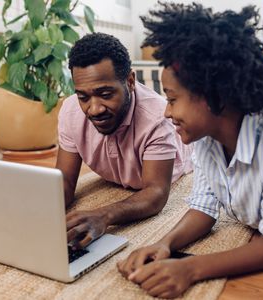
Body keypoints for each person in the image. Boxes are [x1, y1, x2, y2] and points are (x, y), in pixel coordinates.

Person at [117, 3, 263, 298]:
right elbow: (204, 208)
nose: (166, 112)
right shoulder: (203, 135)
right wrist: (165, 243)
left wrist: (190, 269)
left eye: (173, 99)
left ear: (214, 97)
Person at [56, 32, 192, 250]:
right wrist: (41, 211)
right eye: (83, 97)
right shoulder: (71, 111)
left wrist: (104, 214)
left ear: (130, 81)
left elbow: (156, 192)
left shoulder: (157, 117)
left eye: (106, 94)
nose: (94, 108)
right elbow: (65, 181)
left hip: (184, 162)